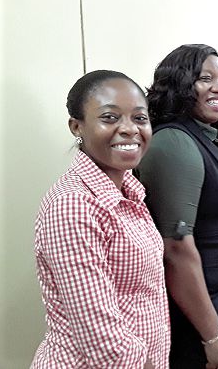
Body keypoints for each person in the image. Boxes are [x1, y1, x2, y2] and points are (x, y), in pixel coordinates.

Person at [32, 70, 169, 368]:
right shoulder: (74, 205)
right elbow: (103, 342)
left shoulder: (129, 191)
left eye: (140, 118)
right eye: (110, 118)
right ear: (76, 126)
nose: (130, 129)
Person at [136, 44, 218, 369]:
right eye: (205, 79)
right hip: (189, 312)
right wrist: (212, 334)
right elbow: (176, 248)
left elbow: (213, 222)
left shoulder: (204, 136)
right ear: (180, 85)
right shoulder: (175, 142)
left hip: (210, 295)